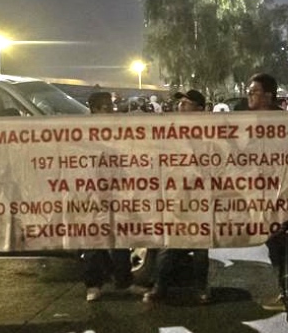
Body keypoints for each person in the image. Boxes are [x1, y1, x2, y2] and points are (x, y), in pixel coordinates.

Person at [144, 89, 212, 305]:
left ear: (200, 109)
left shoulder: (211, 135)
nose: (180, 106)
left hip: (201, 198)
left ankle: (200, 288)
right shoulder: (170, 132)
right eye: (180, 103)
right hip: (175, 196)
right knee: (170, 243)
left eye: (186, 103)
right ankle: (160, 287)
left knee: (201, 247)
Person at [81, 90, 137, 301]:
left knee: (121, 236)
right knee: (93, 238)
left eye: (112, 106)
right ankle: (93, 285)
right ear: (94, 109)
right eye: (106, 107)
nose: (112, 110)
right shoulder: (81, 132)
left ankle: (124, 282)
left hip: (116, 189)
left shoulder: (117, 129)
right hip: (92, 191)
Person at [245, 73, 288, 310]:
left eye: (253, 92)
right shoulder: (252, 120)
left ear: (268, 95)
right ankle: (286, 292)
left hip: (281, 196)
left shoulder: (282, 121)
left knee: (282, 246)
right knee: (274, 245)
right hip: (263, 195)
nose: (249, 96)